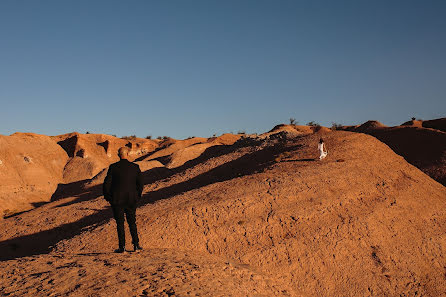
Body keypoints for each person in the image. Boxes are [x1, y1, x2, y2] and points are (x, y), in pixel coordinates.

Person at [103, 146, 143, 253]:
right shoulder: (135, 167)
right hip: (131, 199)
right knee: (132, 222)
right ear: (128, 154)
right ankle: (136, 245)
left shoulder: (113, 167)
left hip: (117, 200)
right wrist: (137, 196)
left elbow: (107, 184)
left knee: (120, 224)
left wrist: (109, 197)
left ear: (118, 155)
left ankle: (122, 247)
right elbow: (140, 185)